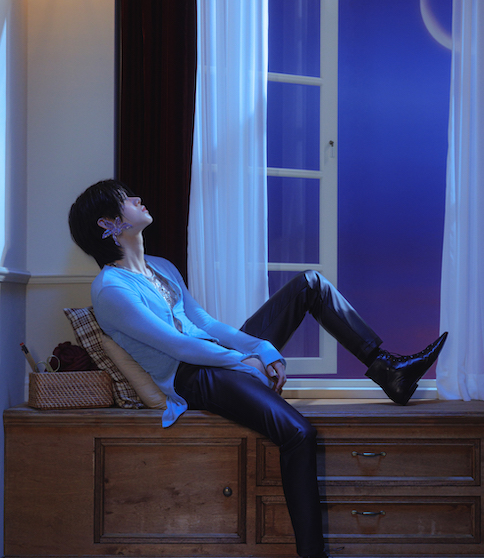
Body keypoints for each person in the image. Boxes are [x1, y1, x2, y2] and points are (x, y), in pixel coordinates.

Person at [68, 179, 447, 558]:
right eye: (125, 200)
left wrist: (261, 349)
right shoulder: (111, 290)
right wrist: (242, 362)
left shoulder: (161, 267)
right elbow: (177, 346)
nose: (137, 199)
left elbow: (206, 324)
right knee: (299, 434)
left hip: (214, 356)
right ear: (107, 224)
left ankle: (388, 371)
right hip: (192, 376)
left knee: (310, 284)